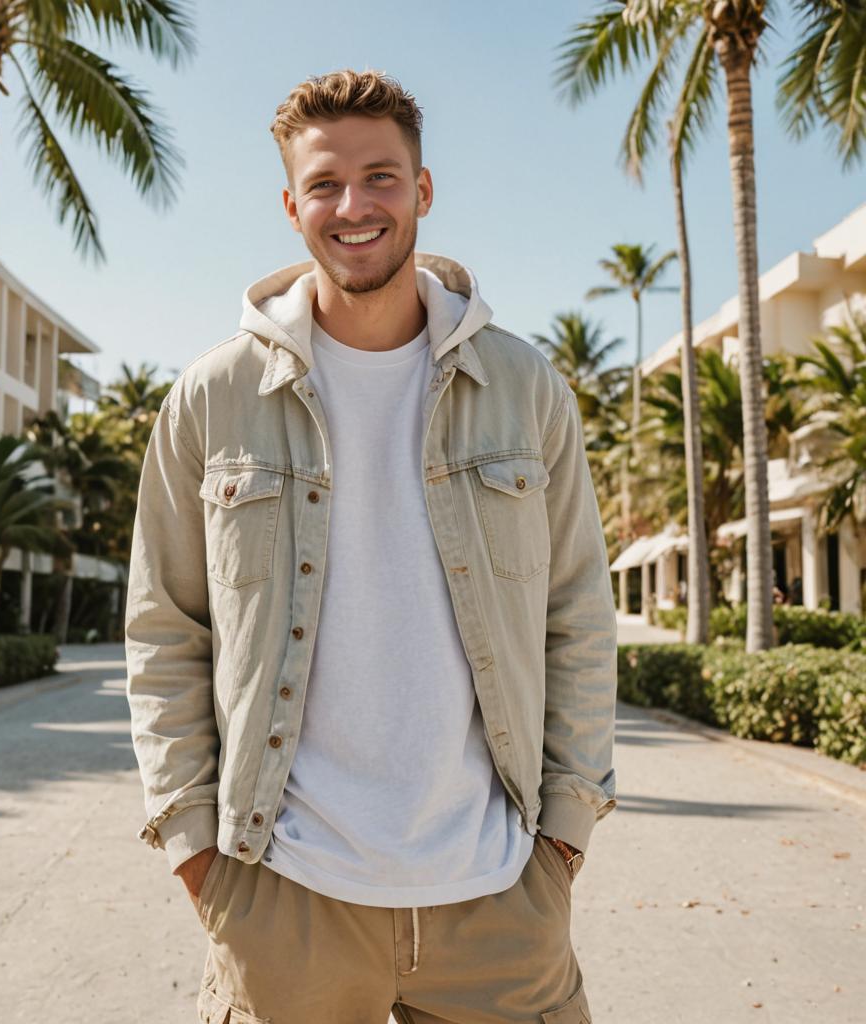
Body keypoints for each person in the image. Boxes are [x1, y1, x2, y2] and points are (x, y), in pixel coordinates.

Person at [124, 68, 618, 1024]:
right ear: (291, 205)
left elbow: (578, 612)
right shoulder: (212, 397)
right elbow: (165, 627)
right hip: (285, 900)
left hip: (499, 894)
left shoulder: (524, 386)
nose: (354, 206)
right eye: (324, 184)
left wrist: (561, 843)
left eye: (382, 177)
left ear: (424, 191)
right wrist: (200, 859)